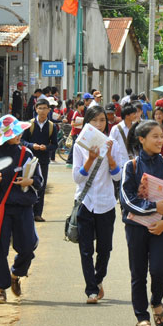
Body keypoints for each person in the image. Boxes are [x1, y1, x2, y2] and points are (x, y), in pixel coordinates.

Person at [120, 120, 163, 326]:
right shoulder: (132, 166)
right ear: (141, 139)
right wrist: (152, 207)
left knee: (159, 268)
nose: (160, 140)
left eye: (161, 136)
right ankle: (141, 316)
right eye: (154, 136)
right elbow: (126, 200)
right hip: (136, 228)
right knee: (138, 273)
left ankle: (156, 301)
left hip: (162, 228)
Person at [0, 115, 43, 304]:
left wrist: (30, 181)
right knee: (0, 249)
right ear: (5, 137)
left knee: (28, 247)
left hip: (23, 208)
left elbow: (39, 180)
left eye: (19, 132)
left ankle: (16, 274)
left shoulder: (26, 153)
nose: (19, 136)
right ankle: (0, 289)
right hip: (2, 209)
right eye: (15, 133)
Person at [72, 105, 122, 304]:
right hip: (85, 201)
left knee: (105, 248)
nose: (99, 124)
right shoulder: (79, 144)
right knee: (85, 249)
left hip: (106, 202)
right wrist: (90, 160)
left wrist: (109, 158)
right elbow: (77, 177)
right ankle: (91, 290)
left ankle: (98, 278)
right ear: (87, 122)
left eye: (103, 120)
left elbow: (117, 176)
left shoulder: (113, 144)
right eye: (95, 121)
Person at [21, 99, 58, 222]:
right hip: (29, 161)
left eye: (45, 108)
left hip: (43, 161)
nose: (42, 111)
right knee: (28, 185)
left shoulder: (52, 126)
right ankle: (28, 213)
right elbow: (22, 141)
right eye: (40, 108)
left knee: (41, 186)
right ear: (36, 109)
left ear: (49, 110)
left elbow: (55, 145)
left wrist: (46, 147)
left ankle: (38, 213)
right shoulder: (29, 125)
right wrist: (32, 146)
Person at [65, 100, 86, 167]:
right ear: (78, 106)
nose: (83, 106)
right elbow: (72, 123)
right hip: (75, 132)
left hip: (79, 132)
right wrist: (81, 123)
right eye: (82, 105)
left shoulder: (80, 113)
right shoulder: (76, 113)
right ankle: (69, 160)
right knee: (74, 147)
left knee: (75, 147)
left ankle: (71, 160)